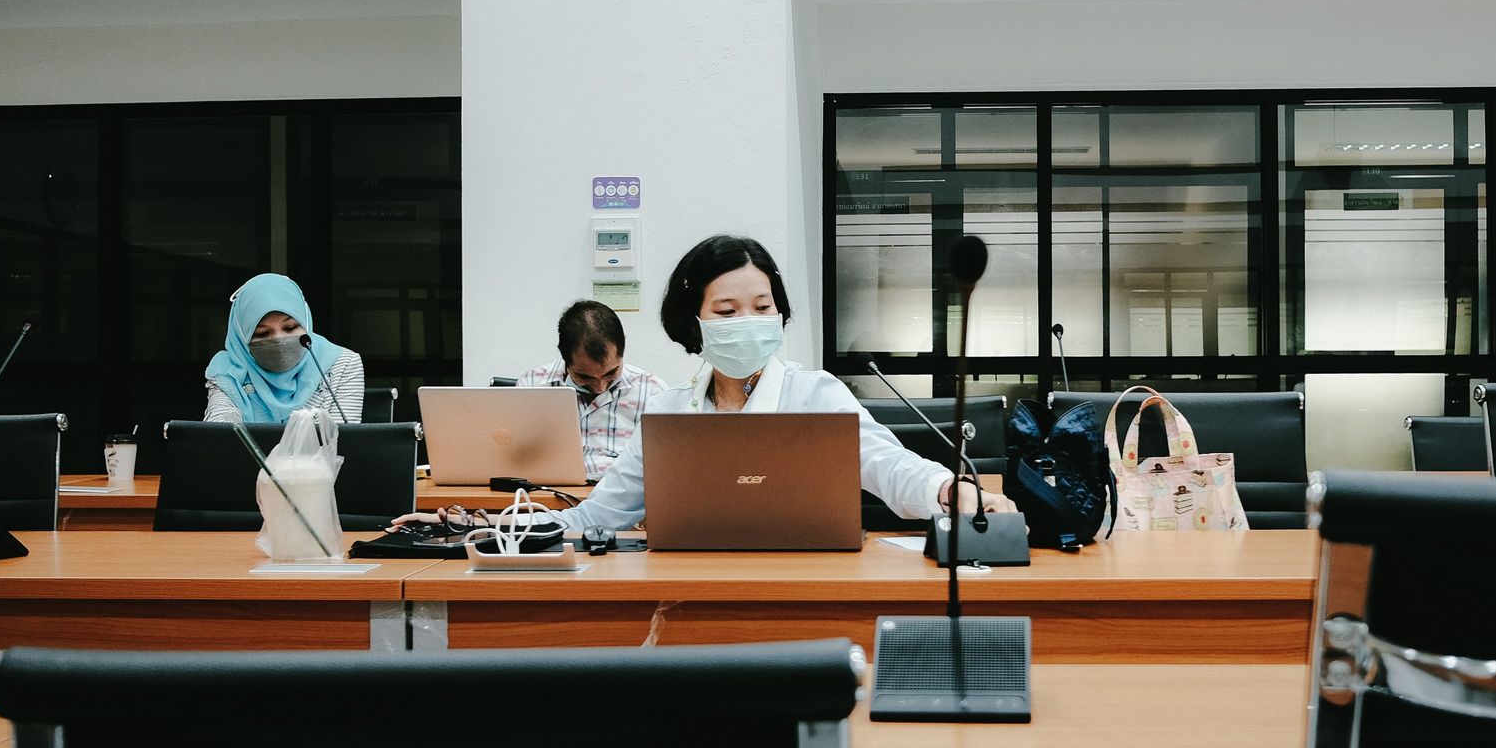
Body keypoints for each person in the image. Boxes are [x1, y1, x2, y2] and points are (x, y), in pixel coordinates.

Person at [397, 235, 1012, 536]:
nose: (748, 321)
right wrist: (487, 527)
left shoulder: (814, 394)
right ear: (694, 323)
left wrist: (950, 489)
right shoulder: (670, 412)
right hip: (687, 589)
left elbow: (890, 467)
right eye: (726, 310)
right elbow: (599, 515)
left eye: (762, 306)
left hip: (803, 589)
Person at [514, 300, 667, 480]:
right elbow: (515, 455)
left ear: (622, 350)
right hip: (546, 488)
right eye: (585, 377)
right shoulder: (532, 385)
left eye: (611, 373)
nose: (600, 387)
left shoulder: (652, 391)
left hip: (622, 492)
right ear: (564, 357)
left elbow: (665, 464)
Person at [204, 272, 364, 424]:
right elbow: (219, 434)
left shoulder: (342, 364)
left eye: (290, 327)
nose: (278, 340)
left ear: (306, 323)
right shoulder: (227, 371)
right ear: (241, 337)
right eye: (262, 333)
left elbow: (341, 437)